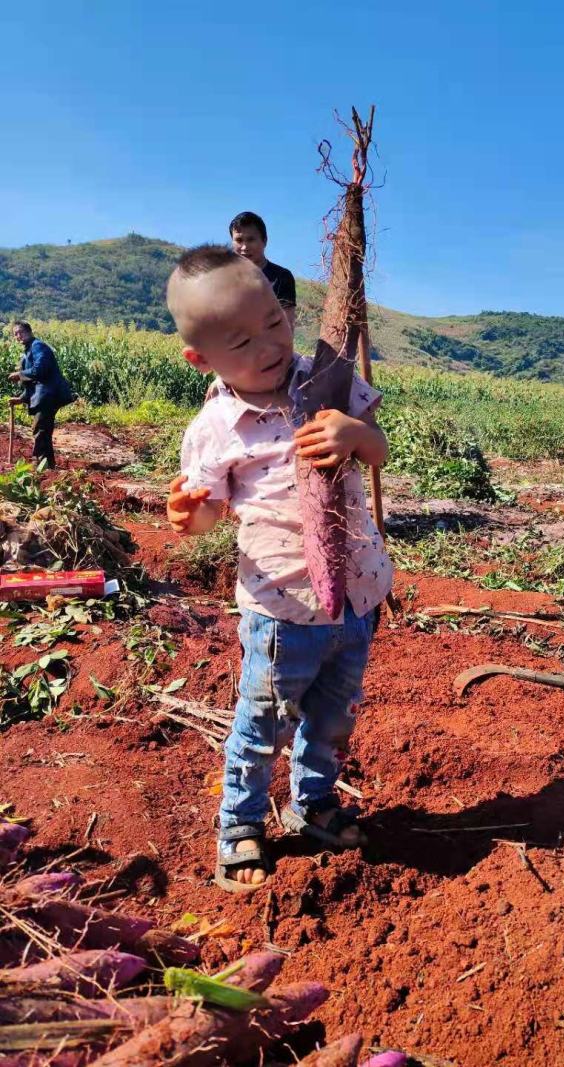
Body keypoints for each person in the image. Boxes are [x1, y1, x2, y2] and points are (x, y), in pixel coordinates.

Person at [164, 245, 392, 892]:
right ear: (201, 360)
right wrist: (190, 516)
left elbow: (377, 450)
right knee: (262, 723)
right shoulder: (215, 427)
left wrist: (353, 434)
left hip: (356, 600)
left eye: (274, 320)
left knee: (334, 718)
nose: (268, 343)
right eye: (241, 339)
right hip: (280, 610)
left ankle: (314, 804)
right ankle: (239, 823)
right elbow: (208, 512)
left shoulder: (328, 378)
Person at [8, 322, 74, 469]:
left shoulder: (38, 346)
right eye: (15, 334)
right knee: (42, 429)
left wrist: (20, 374)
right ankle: (47, 464)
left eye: (21, 332)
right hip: (44, 395)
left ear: (29, 331)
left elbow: (40, 370)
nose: (18, 336)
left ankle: (41, 463)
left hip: (49, 395)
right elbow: (34, 382)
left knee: (41, 428)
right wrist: (21, 398)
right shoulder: (29, 350)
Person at [229, 210, 297, 334]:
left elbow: (286, 328)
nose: (244, 247)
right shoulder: (223, 278)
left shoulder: (282, 277)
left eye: (250, 240)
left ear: (264, 241)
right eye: (239, 240)